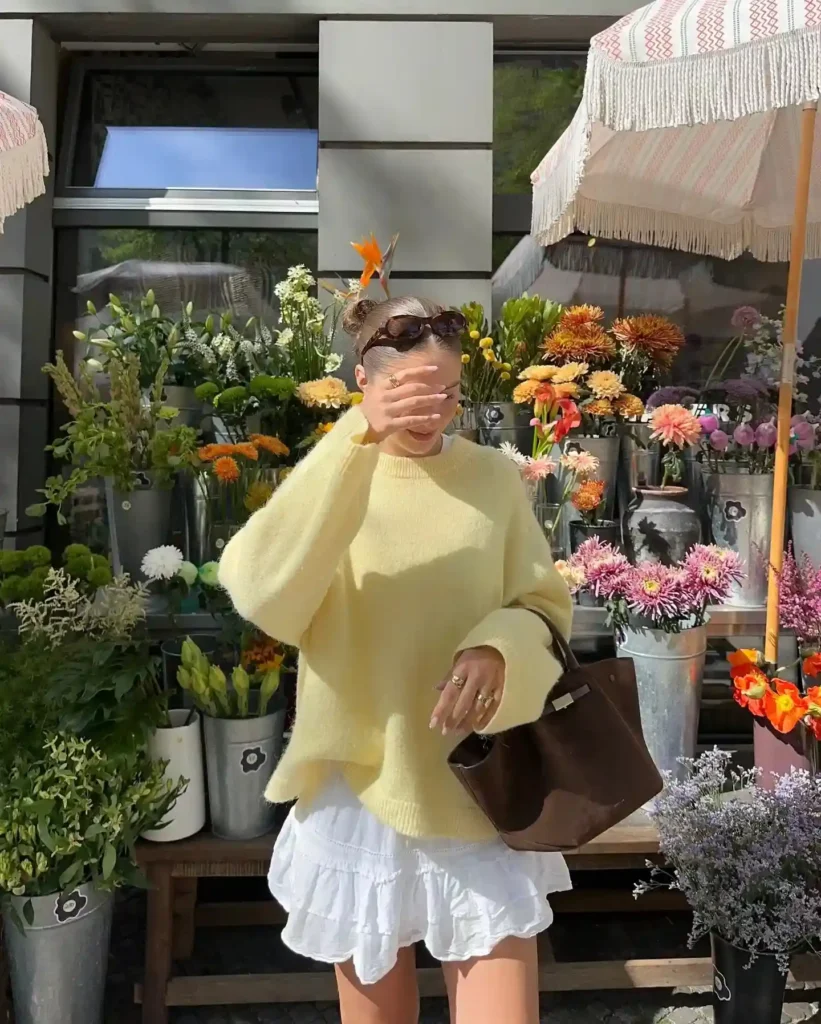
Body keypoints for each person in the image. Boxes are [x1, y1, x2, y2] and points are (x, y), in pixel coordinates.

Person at [219, 295, 573, 1024]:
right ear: (365, 384)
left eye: (447, 392)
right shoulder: (333, 475)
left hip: (478, 782)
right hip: (362, 788)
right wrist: (356, 438)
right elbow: (258, 588)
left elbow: (543, 606)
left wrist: (497, 647)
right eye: (413, 392)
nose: (433, 410)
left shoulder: (490, 478)